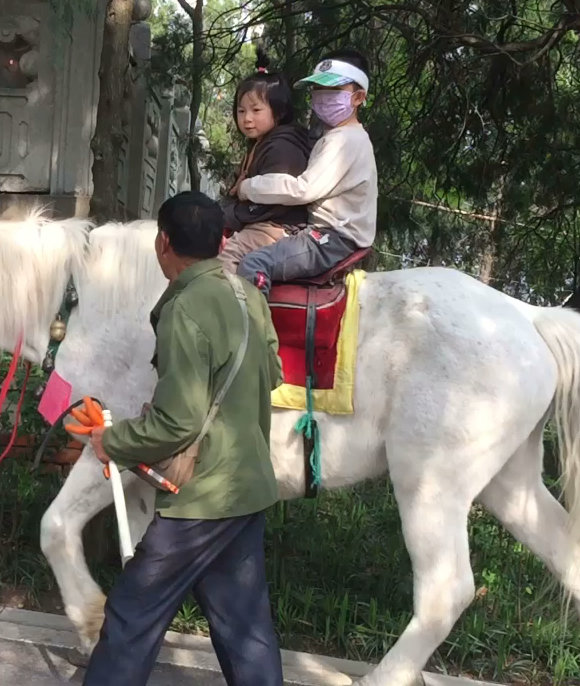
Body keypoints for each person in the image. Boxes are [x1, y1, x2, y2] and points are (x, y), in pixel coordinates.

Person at [81, 190, 285, 686]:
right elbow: (273, 373)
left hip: (201, 499)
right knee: (245, 628)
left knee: (132, 615)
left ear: (163, 242)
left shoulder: (185, 308)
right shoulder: (250, 296)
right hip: (247, 485)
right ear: (220, 242)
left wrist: (113, 441)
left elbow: (178, 423)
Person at [235, 48, 377, 295]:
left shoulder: (346, 141)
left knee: (253, 264)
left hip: (330, 241)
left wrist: (249, 187)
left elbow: (302, 189)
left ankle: (255, 332)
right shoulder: (338, 136)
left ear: (358, 98)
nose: (322, 98)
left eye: (333, 91)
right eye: (317, 91)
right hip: (323, 235)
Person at [217, 49, 319, 273]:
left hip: (277, 228)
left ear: (279, 112)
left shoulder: (284, 147)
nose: (247, 118)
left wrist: (230, 215)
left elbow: (271, 204)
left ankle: (232, 308)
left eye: (256, 110)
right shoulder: (261, 143)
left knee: (227, 256)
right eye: (241, 110)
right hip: (263, 225)